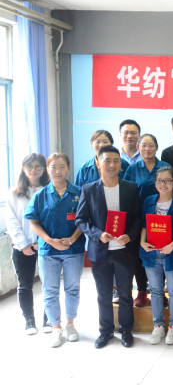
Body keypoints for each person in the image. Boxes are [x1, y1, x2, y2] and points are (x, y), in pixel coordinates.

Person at [75, 145, 142, 349]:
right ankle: (105, 331)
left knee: (125, 294)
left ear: (120, 164)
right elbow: (80, 220)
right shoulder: (88, 189)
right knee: (103, 295)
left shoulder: (131, 188)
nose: (112, 165)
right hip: (100, 252)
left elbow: (138, 218)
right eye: (107, 161)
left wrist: (130, 236)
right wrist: (97, 234)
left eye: (116, 161)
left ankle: (126, 331)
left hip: (124, 251)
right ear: (98, 163)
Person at [25, 152, 85, 348]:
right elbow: (34, 222)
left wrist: (72, 239)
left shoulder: (79, 193)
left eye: (62, 167)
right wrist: (49, 240)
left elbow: (84, 220)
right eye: (53, 167)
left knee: (72, 288)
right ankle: (56, 327)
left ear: (68, 168)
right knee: (50, 290)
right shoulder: (40, 195)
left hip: (73, 249)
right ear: (47, 170)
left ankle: (70, 323)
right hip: (48, 251)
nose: (58, 171)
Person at [140, 167, 173, 345]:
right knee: (155, 290)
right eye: (159, 180)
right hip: (151, 253)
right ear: (155, 183)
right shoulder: (148, 201)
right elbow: (144, 225)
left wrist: (172, 245)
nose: (163, 184)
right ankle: (158, 325)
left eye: (167, 180)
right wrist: (142, 241)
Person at [123, 133, 172, 307]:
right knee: (140, 255)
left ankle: (160, 290)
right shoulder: (133, 168)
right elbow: (126, 191)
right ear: (138, 148)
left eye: (151, 145)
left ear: (157, 147)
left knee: (161, 253)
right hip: (139, 217)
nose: (147, 148)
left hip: (161, 216)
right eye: (143, 145)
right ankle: (142, 291)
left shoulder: (165, 166)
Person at [5, 153, 50, 335]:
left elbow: (51, 219)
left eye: (38, 166)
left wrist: (43, 240)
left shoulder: (49, 190)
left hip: (45, 245)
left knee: (49, 284)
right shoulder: (14, 192)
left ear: (44, 169)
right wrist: (23, 244)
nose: (34, 170)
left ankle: (48, 319)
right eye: (30, 166)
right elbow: (11, 220)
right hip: (21, 246)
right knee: (25, 285)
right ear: (23, 169)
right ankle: (29, 320)